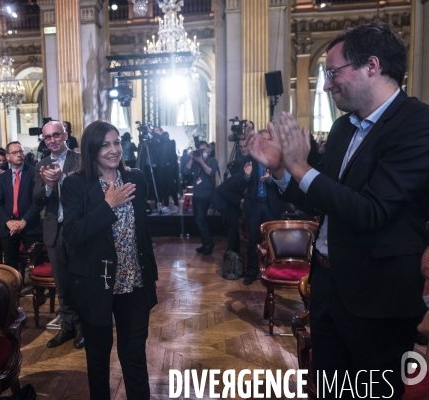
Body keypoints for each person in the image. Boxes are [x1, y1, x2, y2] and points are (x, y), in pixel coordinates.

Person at [247, 22, 429, 398]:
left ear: (372, 66)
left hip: (378, 300)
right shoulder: (345, 128)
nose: (328, 85)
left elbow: (371, 211)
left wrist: (301, 167)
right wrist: (282, 170)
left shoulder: (417, 124)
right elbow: (321, 200)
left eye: (333, 73)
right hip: (327, 288)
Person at [61, 120, 158, 400]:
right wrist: (108, 205)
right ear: (92, 149)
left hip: (134, 282)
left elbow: (143, 232)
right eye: (105, 144)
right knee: (98, 360)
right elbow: (72, 233)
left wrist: (150, 274)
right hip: (96, 286)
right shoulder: (75, 184)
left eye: (116, 142)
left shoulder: (135, 177)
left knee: (134, 356)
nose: (114, 149)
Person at [33, 121, 83, 349]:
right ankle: (67, 326)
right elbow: (36, 199)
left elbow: (86, 194)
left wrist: (62, 179)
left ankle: (83, 326)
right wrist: (49, 186)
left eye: (56, 135)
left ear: (65, 135)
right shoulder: (41, 164)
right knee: (61, 282)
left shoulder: (80, 160)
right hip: (54, 230)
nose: (51, 140)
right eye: (47, 137)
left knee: (79, 280)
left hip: (77, 228)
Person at [242, 129, 285, 285]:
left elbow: (284, 182)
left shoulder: (278, 159)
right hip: (254, 205)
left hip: (271, 205)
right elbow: (241, 182)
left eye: (269, 138)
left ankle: (271, 271)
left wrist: (270, 180)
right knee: (253, 239)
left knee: (273, 241)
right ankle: (252, 272)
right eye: (263, 139)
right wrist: (247, 175)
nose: (266, 141)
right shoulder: (250, 158)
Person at [0, 141, 42, 271]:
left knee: (37, 263)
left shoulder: (34, 172)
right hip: (9, 227)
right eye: (15, 153)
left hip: (30, 225)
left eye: (20, 152)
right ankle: (15, 291)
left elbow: (37, 201)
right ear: (8, 157)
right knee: (10, 266)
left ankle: (37, 291)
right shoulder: (3, 177)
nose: (19, 155)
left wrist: (23, 221)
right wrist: (8, 222)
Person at [183, 141, 218, 255]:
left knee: (200, 220)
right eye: (200, 150)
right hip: (196, 194)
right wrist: (192, 158)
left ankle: (209, 243)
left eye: (204, 149)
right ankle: (205, 243)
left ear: (208, 149)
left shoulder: (212, 161)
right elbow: (185, 171)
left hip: (206, 195)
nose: (202, 152)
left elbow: (211, 173)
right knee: (198, 220)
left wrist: (202, 161)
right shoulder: (196, 162)